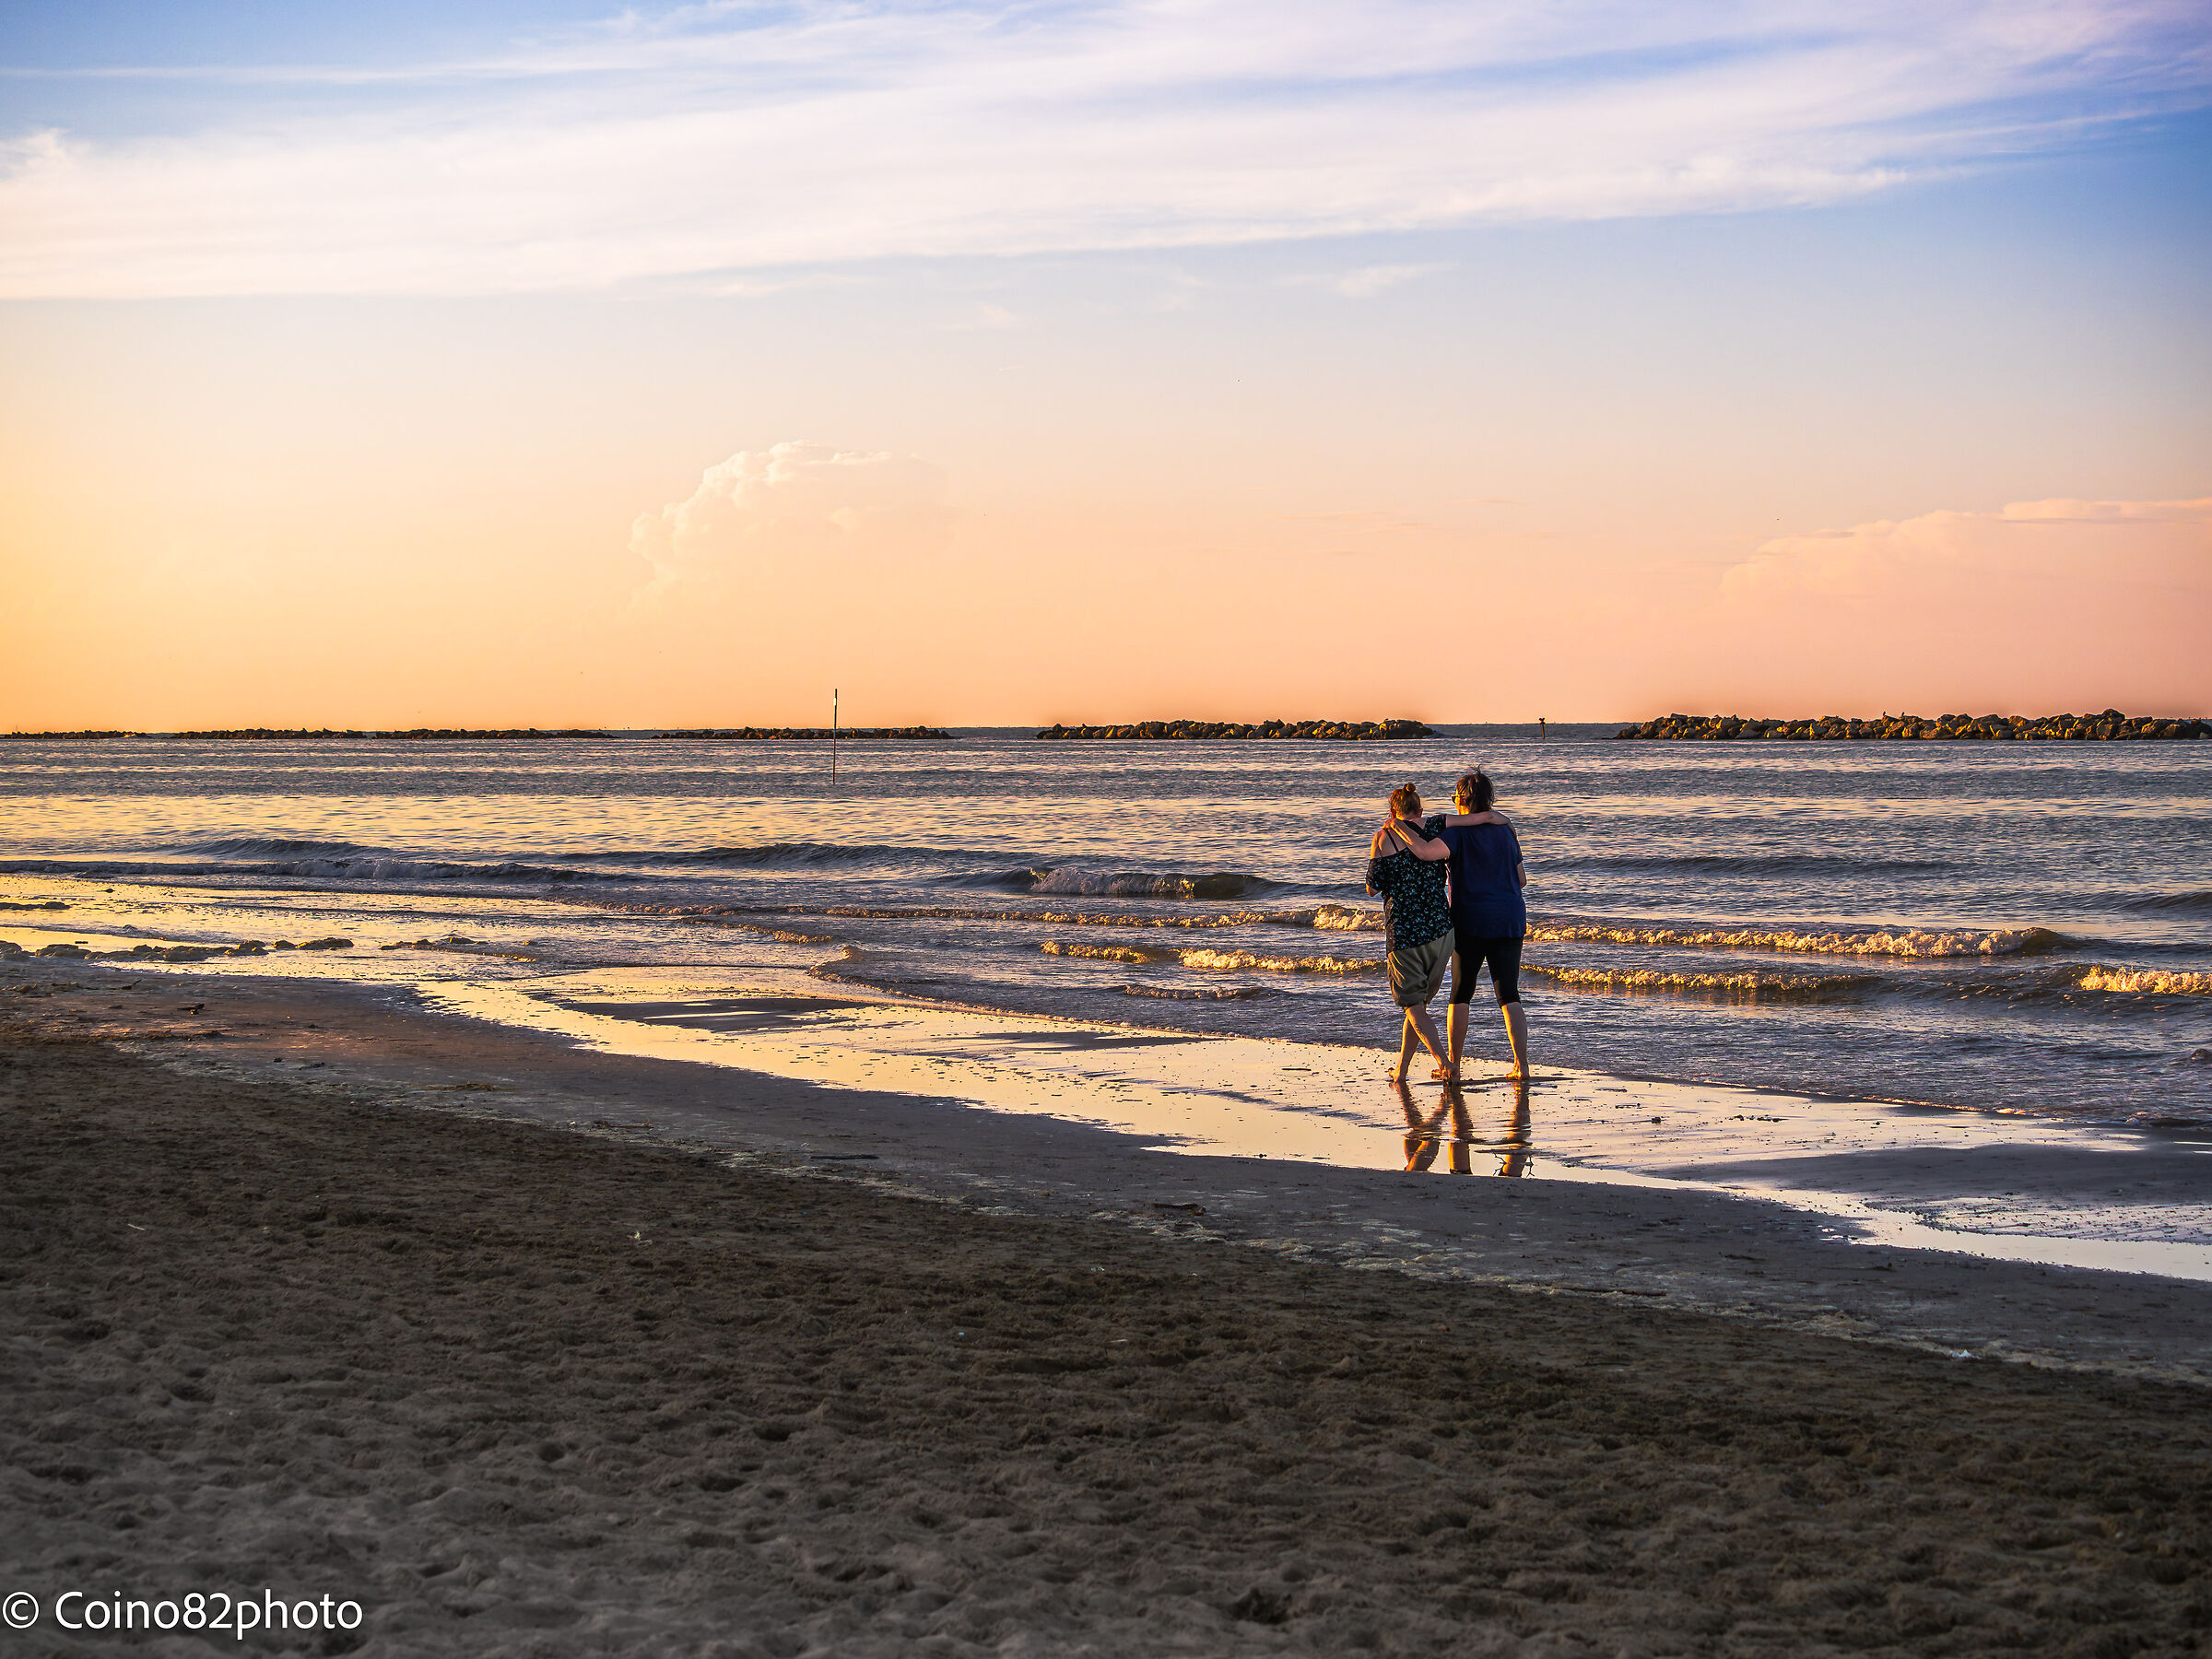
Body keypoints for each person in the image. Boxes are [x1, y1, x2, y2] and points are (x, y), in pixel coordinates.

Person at [1388, 770, 1531, 1078]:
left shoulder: (1457, 834)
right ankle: (1522, 1065)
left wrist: (1398, 826)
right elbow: (1521, 879)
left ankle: (1453, 1062)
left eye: (1455, 798)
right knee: (1508, 993)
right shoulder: (1507, 830)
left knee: (1461, 992)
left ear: (1462, 801)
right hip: (1509, 918)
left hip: (1470, 920)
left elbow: (1425, 852)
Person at [1365, 783, 1453, 1084]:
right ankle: (1401, 1072)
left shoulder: (1384, 836)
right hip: (1442, 931)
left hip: (1405, 934)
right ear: (1421, 810)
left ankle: (1444, 1062)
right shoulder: (1437, 830)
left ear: (1392, 812)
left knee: (1414, 1007)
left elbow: (1373, 886)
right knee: (1418, 1009)